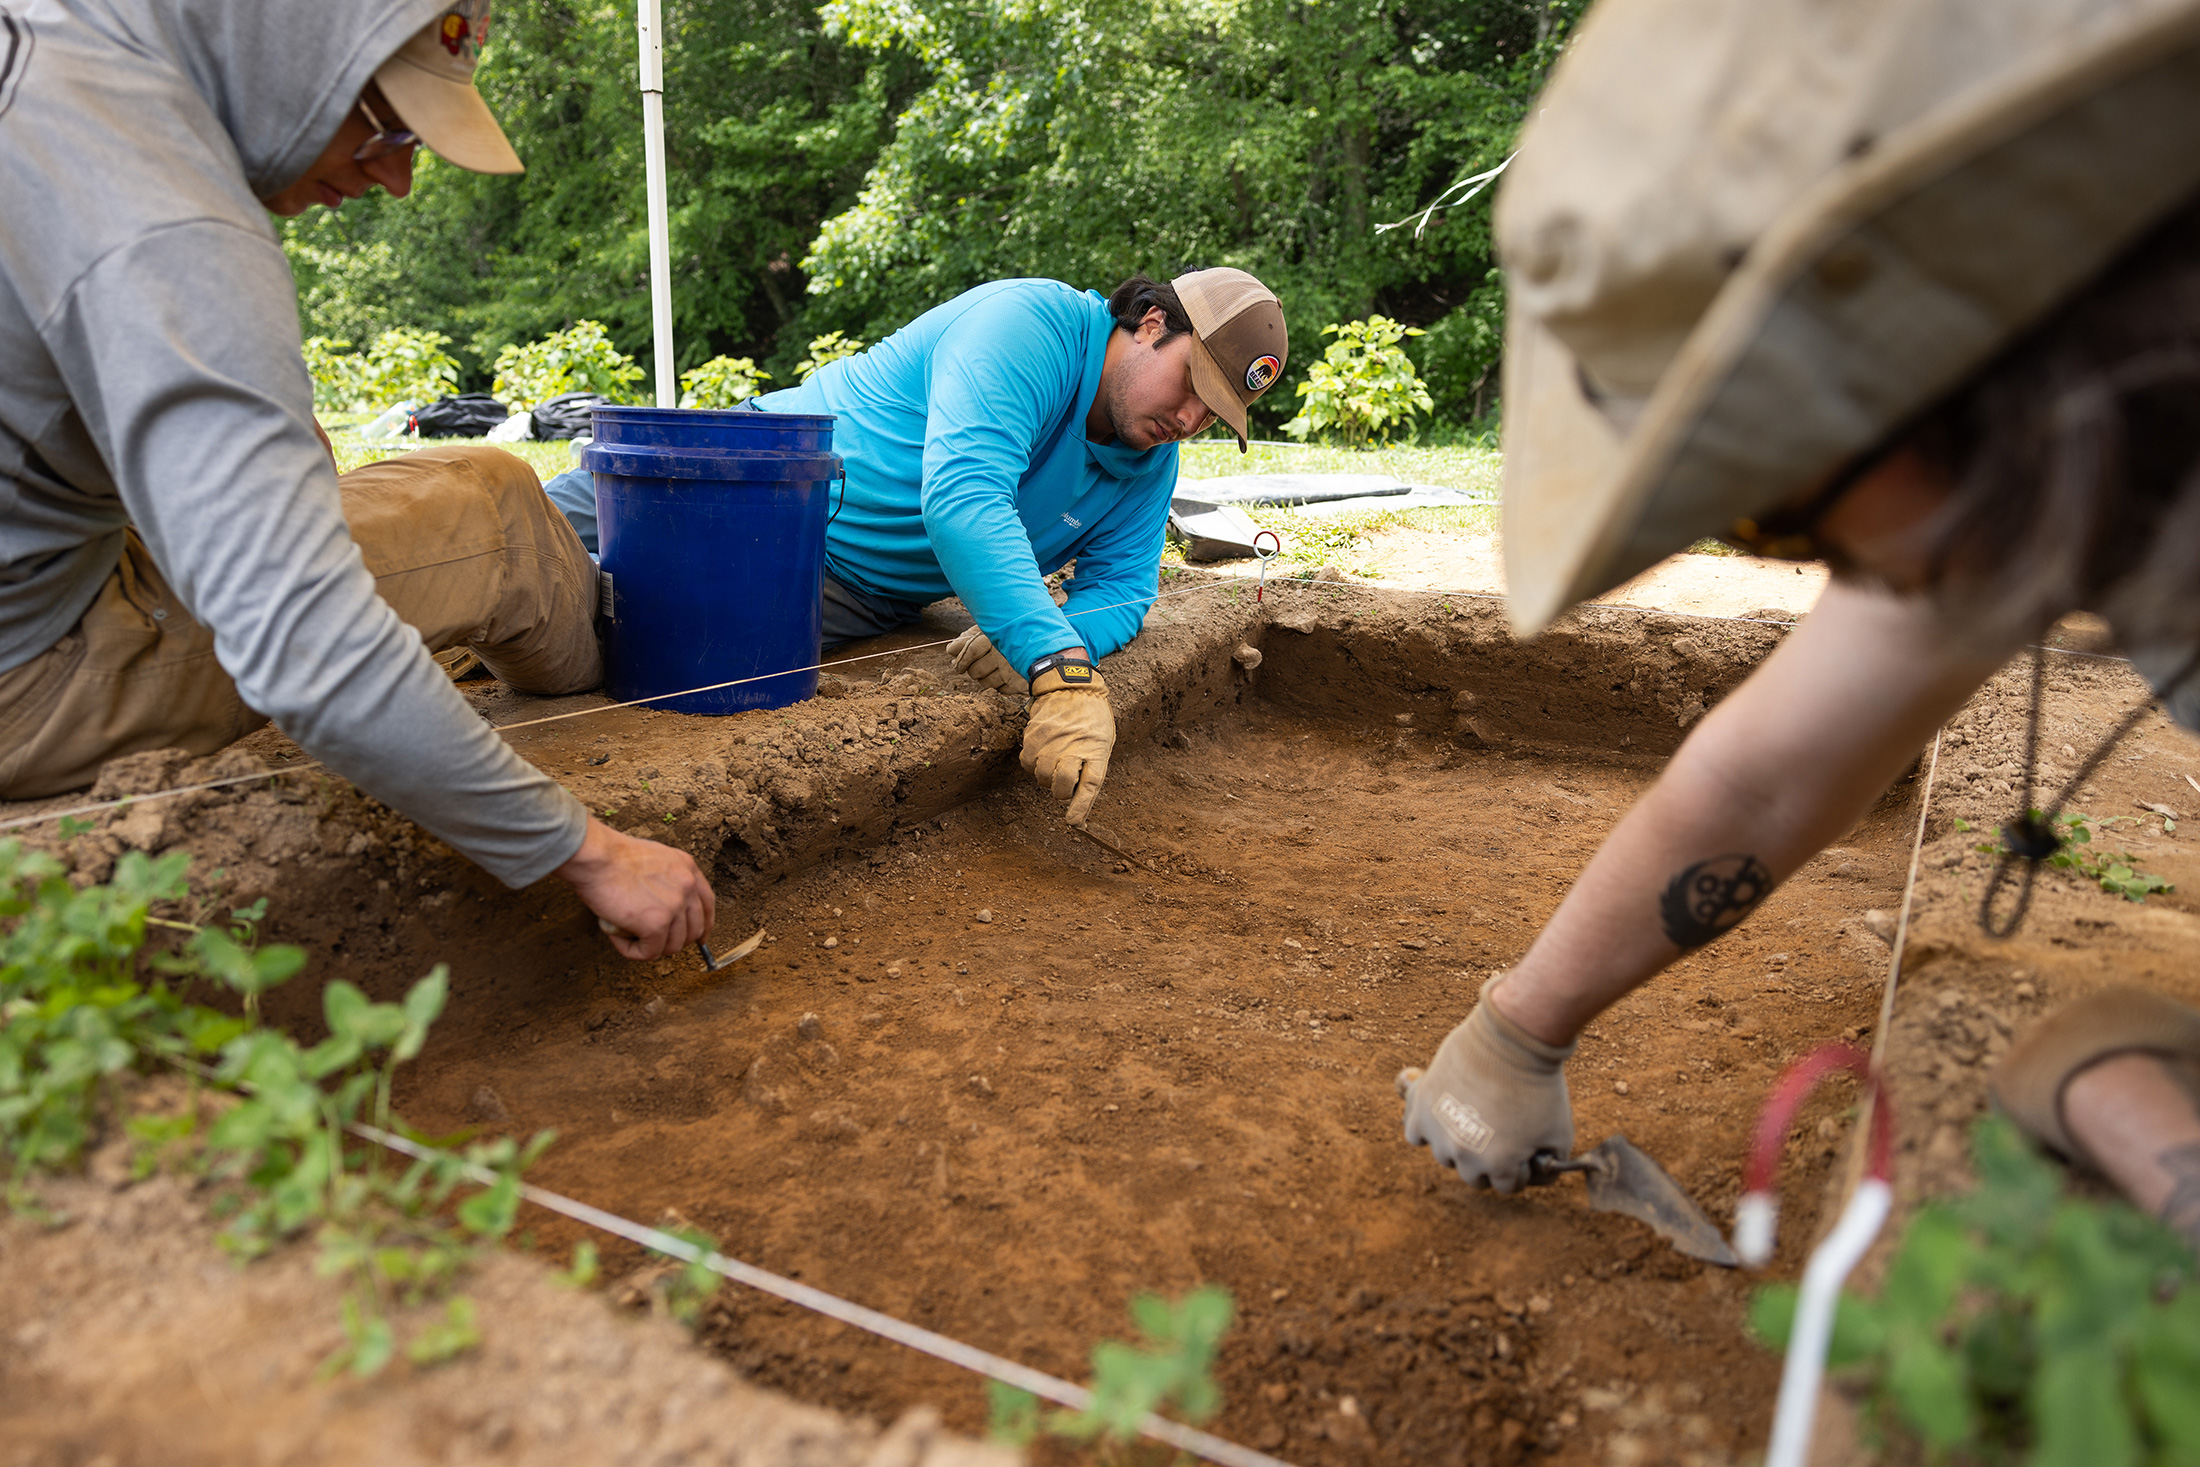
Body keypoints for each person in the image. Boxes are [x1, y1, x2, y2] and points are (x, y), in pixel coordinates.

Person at [1394, 0, 2200, 1249]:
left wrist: (2126, 1111)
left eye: (1775, 497)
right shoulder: (2047, 465)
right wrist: (1516, 1031)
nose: (1788, 546)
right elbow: (1768, 775)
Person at [0, 0, 713, 961]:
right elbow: (302, 639)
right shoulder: (169, 222)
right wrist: (588, 850)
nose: (401, 176)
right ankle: (625, 669)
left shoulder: (50, 54)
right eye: (389, 127)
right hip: (34, 675)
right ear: (282, 45)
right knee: (497, 499)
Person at [546, 269, 1290, 824]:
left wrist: (1057, 633)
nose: (1189, 418)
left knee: (601, 632)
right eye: (1190, 383)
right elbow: (963, 498)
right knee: (498, 539)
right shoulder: (1032, 328)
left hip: (835, 591)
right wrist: (1056, 666)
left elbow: (1125, 591)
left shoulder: (1148, 461)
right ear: (1152, 321)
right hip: (747, 478)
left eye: (1215, 412)